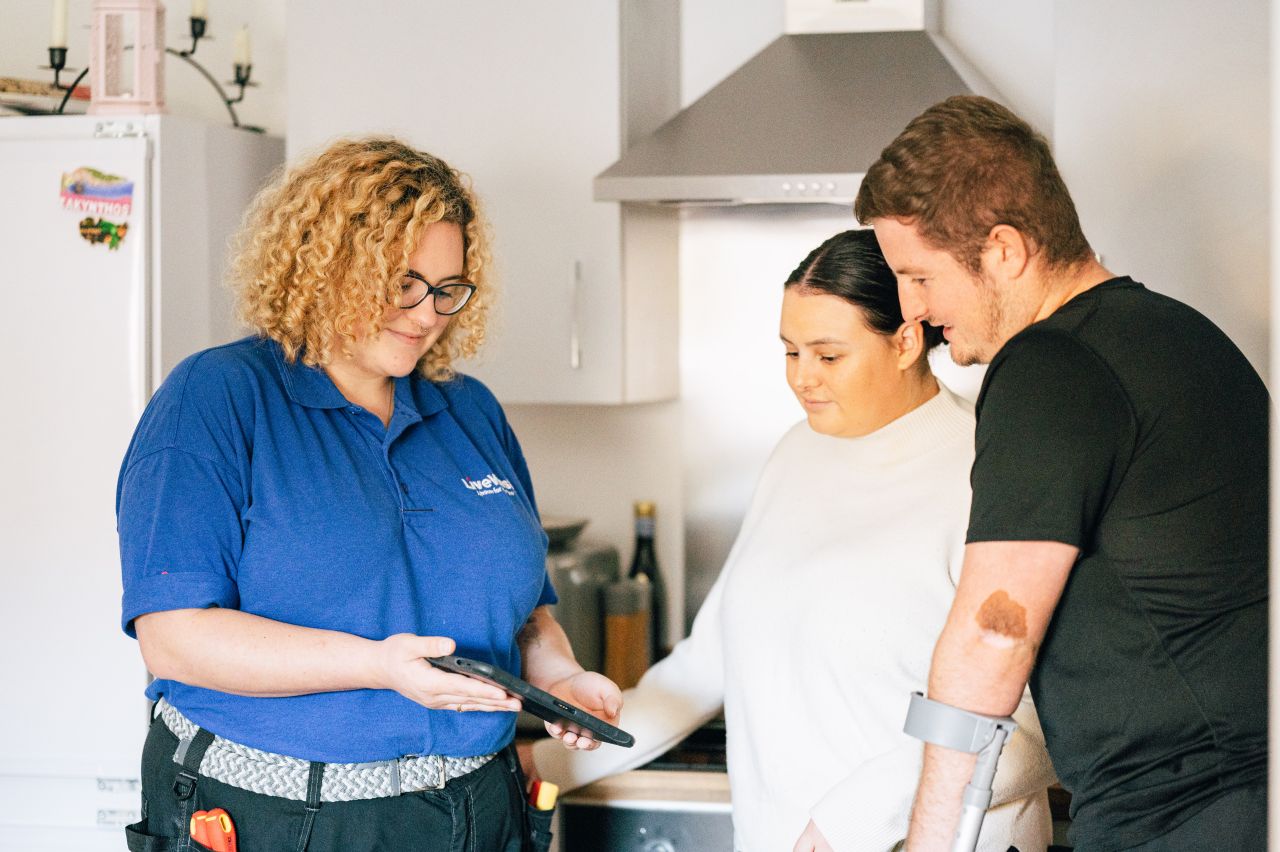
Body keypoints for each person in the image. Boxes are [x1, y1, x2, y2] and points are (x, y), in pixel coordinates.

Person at [116, 137, 621, 852]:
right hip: (276, 818)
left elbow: (525, 612)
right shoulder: (219, 398)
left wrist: (562, 677)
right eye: (402, 282)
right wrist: (375, 666)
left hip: (480, 810)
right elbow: (173, 639)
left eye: (448, 289)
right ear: (323, 266)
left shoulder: (468, 410)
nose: (426, 314)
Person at [532, 229, 1055, 852]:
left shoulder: (988, 470)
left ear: (907, 342)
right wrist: (549, 765)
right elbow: (709, 665)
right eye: (789, 352)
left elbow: (1037, 732)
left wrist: (853, 821)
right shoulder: (795, 452)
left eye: (828, 356)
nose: (802, 379)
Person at [855, 95, 1269, 851]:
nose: (911, 310)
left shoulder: (1049, 367)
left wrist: (927, 843)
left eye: (919, 277)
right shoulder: (1188, 335)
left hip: (1180, 814)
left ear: (1005, 250)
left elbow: (993, 636)